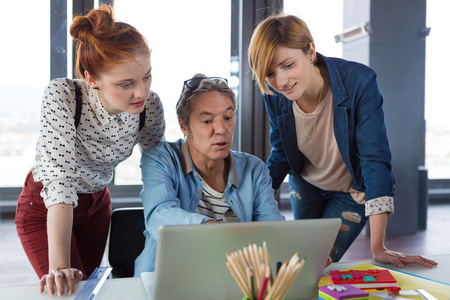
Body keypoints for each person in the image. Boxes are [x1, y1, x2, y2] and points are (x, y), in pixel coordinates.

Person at [247, 14, 437, 268]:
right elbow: (281, 153)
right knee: (298, 264)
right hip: (305, 184)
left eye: (288, 65)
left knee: (316, 264)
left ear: (310, 51)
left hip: (351, 193)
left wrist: (378, 247)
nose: (281, 81)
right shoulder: (274, 93)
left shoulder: (359, 82)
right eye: (269, 73)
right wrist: (253, 207)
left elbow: (375, 160)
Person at [15, 5, 165, 296]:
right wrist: (59, 267)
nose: (141, 92)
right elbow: (60, 182)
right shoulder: (64, 96)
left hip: (97, 205)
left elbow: (160, 164)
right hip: (45, 206)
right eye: (126, 83)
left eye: (146, 77)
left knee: (90, 292)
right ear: (92, 78)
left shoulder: (151, 107)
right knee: (68, 289)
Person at [134, 74, 285, 274]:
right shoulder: (160, 159)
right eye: (207, 121)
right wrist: (211, 227)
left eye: (228, 118)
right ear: (184, 125)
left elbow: (271, 228)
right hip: (168, 276)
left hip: (231, 279)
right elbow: (159, 215)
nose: (221, 129)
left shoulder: (254, 169)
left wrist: (296, 250)